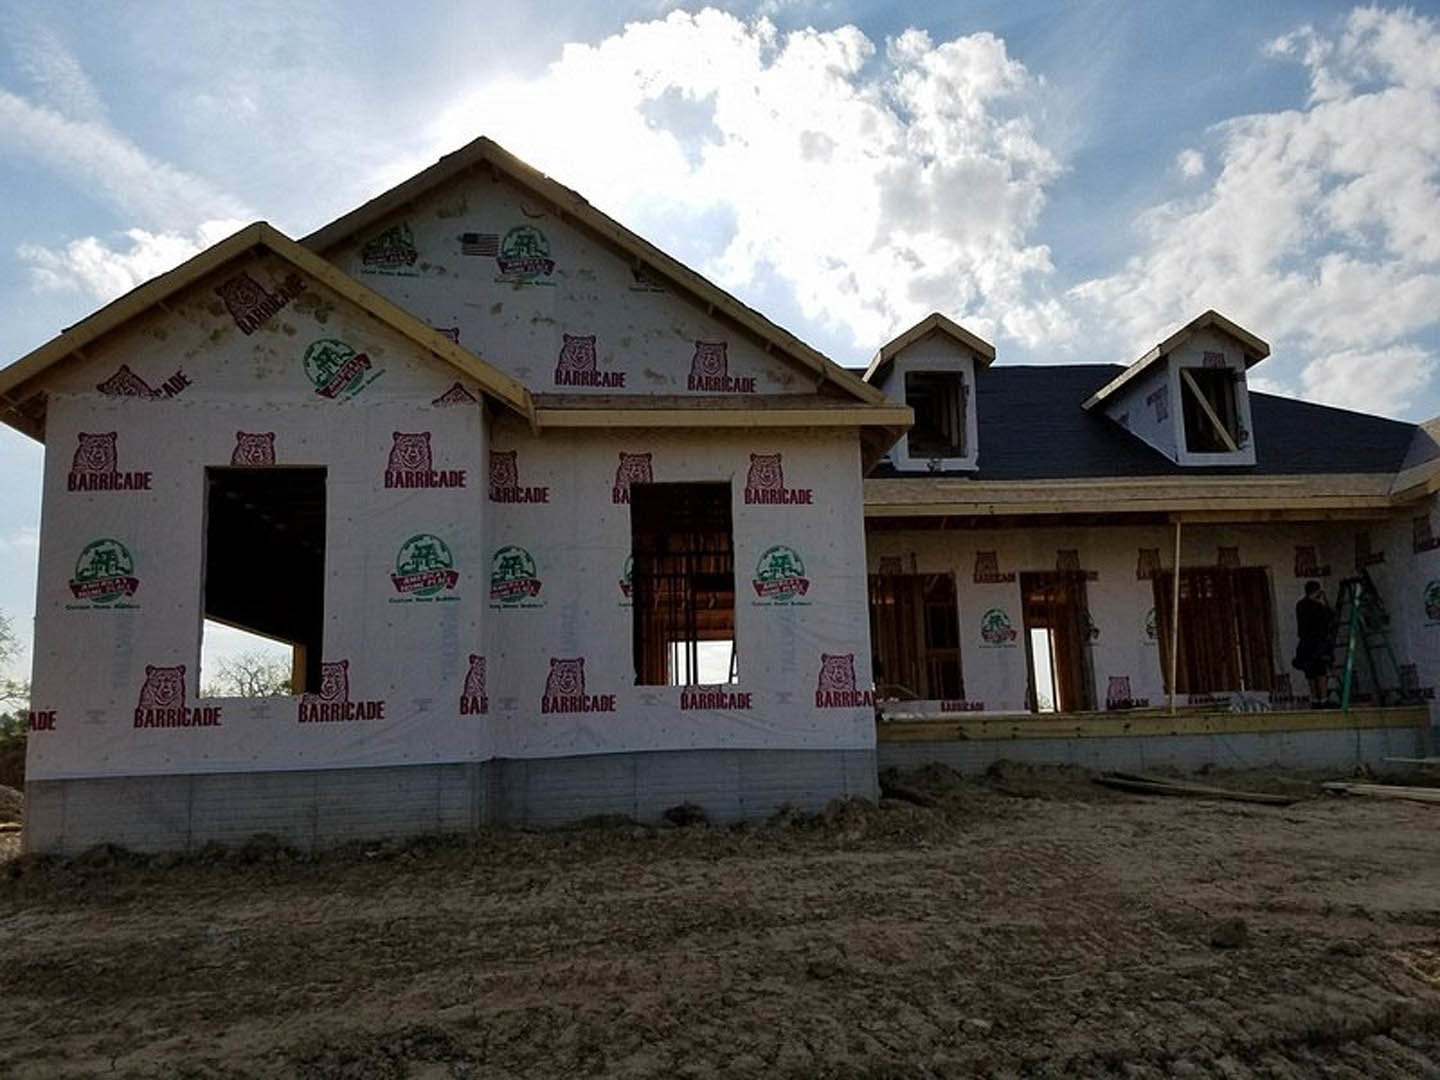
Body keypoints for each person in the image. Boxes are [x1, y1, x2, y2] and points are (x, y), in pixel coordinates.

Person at [1293, 581, 1332, 707]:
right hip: (1318, 643)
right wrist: (1324, 602)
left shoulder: (1300, 605)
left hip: (1305, 644)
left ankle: (1314, 698)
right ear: (1317, 592)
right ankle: (1324, 699)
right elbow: (1329, 617)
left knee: (1310, 673)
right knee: (1321, 672)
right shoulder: (1318, 607)